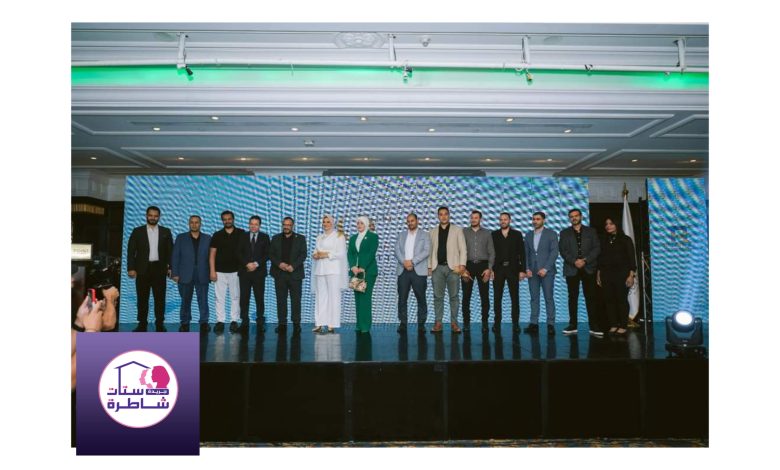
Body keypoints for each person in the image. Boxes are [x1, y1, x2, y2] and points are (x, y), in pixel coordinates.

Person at [127, 205, 173, 332]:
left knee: (160, 298)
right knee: (142, 298)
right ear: (146, 216)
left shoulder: (166, 231)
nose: (153, 218)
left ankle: (160, 323)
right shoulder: (137, 231)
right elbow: (131, 251)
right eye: (151, 215)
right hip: (142, 269)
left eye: (155, 216)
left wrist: (171, 267)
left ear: (159, 217)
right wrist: (131, 268)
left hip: (159, 269)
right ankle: (142, 323)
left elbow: (170, 252)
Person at [559, 209, 603, 337]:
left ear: (581, 217)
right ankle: (573, 325)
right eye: (571, 216)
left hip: (588, 268)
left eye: (576, 216)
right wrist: (574, 261)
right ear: (569, 218)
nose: (574, 218)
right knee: (572, 298)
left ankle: (593, 326)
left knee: (591, 297)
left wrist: (585, 260)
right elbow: (563, 250)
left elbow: (597, 248)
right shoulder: (564, 233)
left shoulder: (591, 231)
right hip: (571, 269)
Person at [428, 206, 467, 333]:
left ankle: (454, 323)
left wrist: (462, 265)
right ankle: (438, 323)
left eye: (445, 214)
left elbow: (463, 249)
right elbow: (429, 251)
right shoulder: (432, 232)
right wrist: (429, 266)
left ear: (449, 215)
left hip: (454, 268)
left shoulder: (457, 230)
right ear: (438, 216)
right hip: (437, 268)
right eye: (441, 214)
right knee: (437, 297)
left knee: (454, 296)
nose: (443, 216)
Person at [171, 215, 212, 333]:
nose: (194, 224)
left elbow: (211, 257)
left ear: (200, 224)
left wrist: (211, 272)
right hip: (184, 274)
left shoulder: (208, 238)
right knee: (185, 301)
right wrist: (175, 273)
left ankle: (204, 322)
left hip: (203, 273)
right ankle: (185, 323)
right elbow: (175, 256)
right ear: (189, 224)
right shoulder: (181, 237)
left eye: (196, 222)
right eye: (192, 222)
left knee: (203, 300)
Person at [597, 217, 637, 335]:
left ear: (617, 225)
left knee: (621, 300)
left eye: (611, 223)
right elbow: (600, 259)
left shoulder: (626, 239)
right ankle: (613, 324)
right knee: (609, 300)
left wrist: (631, 275)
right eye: (606, 224)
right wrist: (598, 275)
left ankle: (623, 325)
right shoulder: (603, 240)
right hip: (606, 274)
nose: (608, 226)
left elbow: (632, 258)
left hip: (622, 274)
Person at [394, 212, 431, 335]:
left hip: (418, 271)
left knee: (421, 298)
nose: (410, 223)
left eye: (412, 221)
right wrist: (404, 262)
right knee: (402, 298)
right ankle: (403, 323)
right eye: (408, 221)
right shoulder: (401, 235)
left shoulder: (425, 235)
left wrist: (412, 262)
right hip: (403, 270)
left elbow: (426, 251)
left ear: (417, 221)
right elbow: (396, 250)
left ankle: (421, 324)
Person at [209, 210, 245, 333]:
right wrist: (212, 271)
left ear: (233, 219)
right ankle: (220, 321)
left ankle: (234, 321)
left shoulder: (241, 233)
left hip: (236, 271)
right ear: (222, 221)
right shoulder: (217, 235)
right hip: (219, 271)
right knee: (219, 298)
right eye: (225, 219)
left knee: (236, 297)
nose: (227, 221)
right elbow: (212, 254)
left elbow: (245, 252)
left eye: (229, 219)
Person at [269, 217, 307, 334]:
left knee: (296, 300)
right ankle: (282, 324)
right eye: (284, 225)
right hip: (279, 274)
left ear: (292, 226)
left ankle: (296, 324)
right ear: (282, 225)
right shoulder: (275, 238)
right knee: (281, 300)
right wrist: (279, 264)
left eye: (289, 225)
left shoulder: (300, 238)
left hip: (295, 274)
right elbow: (271, 254)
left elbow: (303, 255)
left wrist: (293, 266)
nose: (286, 227)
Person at [524, 211, 559, 336]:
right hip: (532, 272)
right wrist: (527, 269)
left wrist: (545, 268)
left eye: (538, 219)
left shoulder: (551, 234)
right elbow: (526, 253)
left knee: (548, 298)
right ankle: (534, 324)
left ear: (543, 220)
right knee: (534, 298)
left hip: (547, 272)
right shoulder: (528, 235)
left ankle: (550, 324)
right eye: (533, 219)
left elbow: (554, 252)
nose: (535, 221)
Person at [491, 212, 526, 333]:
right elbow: (491, 253)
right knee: (497, 298)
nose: (503, 221)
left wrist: (522, 270)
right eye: (501, 219)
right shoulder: (494, 234)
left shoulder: (517, 234)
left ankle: (515, 324)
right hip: (498, 270)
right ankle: (497, 323)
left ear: (510, 220)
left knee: (514, 298)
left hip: (513, 269)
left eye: (505, 219)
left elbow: (522, 253)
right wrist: (491, 269)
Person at [312, 214, 348, 334]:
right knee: (320, 297)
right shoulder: (319, 237)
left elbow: (341, 254)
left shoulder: (339, 236)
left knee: (333, 297)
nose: (325, 224)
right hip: (320, 270)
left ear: (333, 223)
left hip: (333, 270)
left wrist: (326, 254)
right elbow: (316, 251)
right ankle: (319, 323)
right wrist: (315, 255)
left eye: (328, 222)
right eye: (324, 222)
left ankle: (332, 324)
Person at [461, 210, 495, 333]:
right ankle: (466, 323)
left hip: (483, 267)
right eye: (472, 217)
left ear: (480, 219)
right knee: (466, 296)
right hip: (468, 267)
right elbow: (460, 251)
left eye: (476, 217)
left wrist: (489, 269)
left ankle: (485, 322)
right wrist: (462, 269)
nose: (473, 219)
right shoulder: (464, 232)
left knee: (484, 296)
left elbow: (492, 252)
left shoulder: (487, 233)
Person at [237, 215, 270, 333]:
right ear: (249, 224)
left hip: (259, 273)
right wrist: (247, 264)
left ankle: (260, 321)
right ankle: (244, 321)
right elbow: (238, 252)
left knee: (259, 298)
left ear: (259, 225)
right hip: (244, 273)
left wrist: (256, 264)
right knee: (244, 298)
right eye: (251, 224)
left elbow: (267, 254)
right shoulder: (242, 236)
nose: (253, 226)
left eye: (256, 224)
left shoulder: (265, 237)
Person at [348, 216, 379, 334]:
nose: (359, 225)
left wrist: (363, 267)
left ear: (366, 224)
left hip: (368, 272)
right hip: (355, 272)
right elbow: (350, 253)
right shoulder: (353, 238)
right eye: (358, 223)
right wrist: (353, 267)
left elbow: (371, 253)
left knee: (365, 298)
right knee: (358, 298)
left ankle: (365, 325)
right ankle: (359, 324)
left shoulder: (373, 237)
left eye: (361, 223)